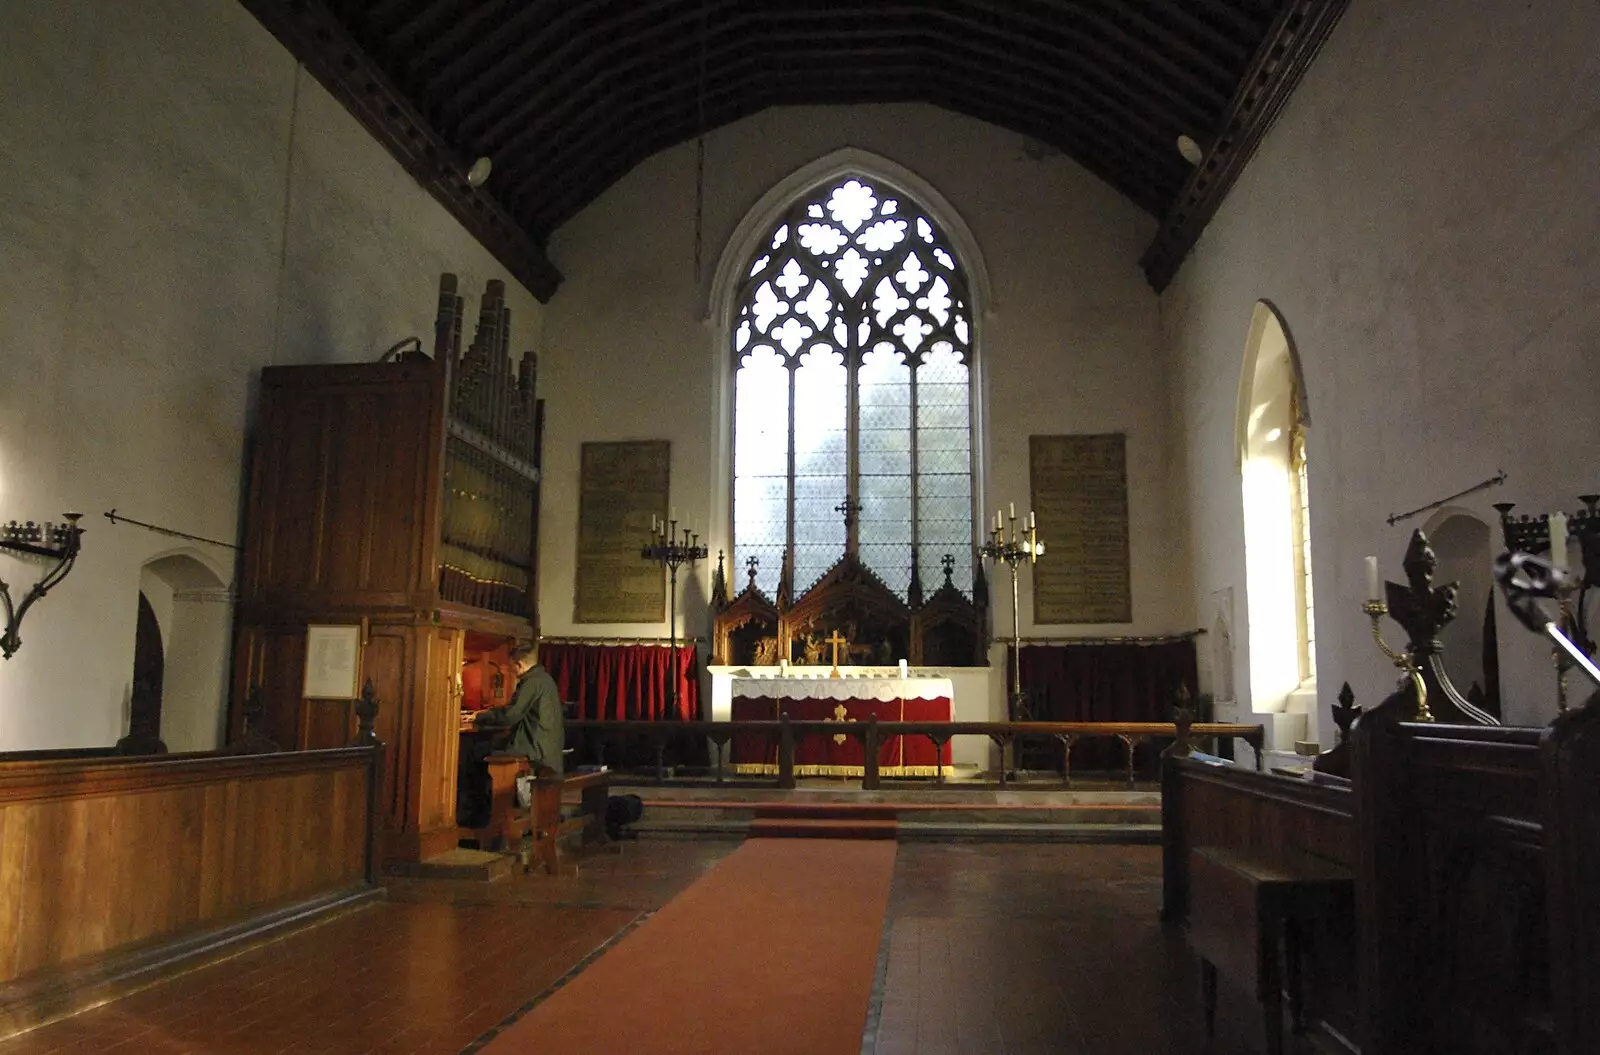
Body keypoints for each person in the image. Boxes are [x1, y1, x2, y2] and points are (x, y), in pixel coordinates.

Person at [473, 641, 565, 777]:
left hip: (534, 749)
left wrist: (479, 716)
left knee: (475, 752)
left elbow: (510, 715)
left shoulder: (531, 682)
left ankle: (482, 797)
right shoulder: (545, 679)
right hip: (546, 747)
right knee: (489, 746)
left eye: (512, 667)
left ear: (519, 665)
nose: (512, 672)